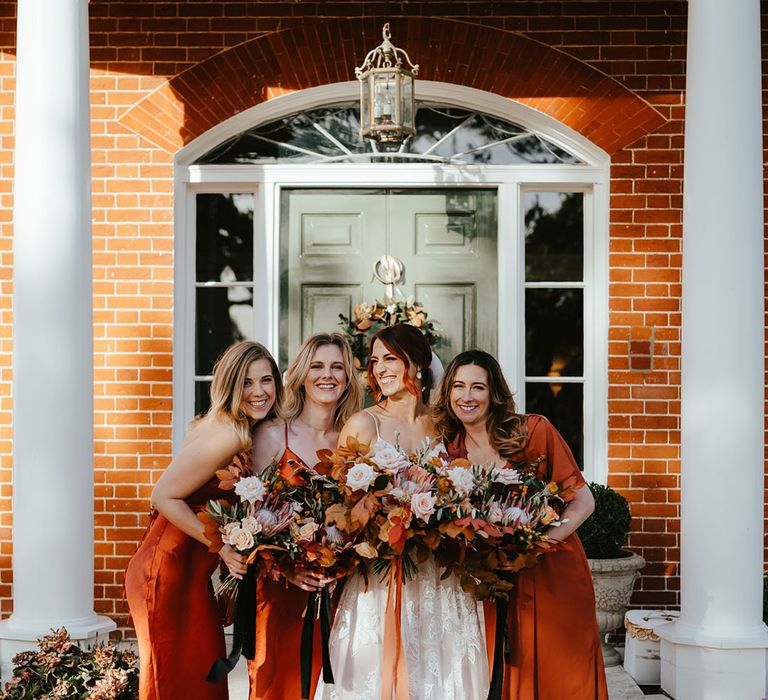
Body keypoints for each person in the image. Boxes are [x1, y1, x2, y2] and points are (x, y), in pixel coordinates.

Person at [314, 324, 489, 700]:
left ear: (419, 364)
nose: (380, 369)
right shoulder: (364, 423)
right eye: (375, 361)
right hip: (381, 576)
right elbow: (341, 507)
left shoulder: (444, 424)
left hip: (438, 576)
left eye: (390, 359)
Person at [432, 349, 608, 700]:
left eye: (478, 387)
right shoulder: (448, 453)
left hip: (553, 571)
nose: (467, 397)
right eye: (458, 386)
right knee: (511, 676)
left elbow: (583, 501)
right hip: (497, 582)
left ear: (493, 393)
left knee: (563, 675)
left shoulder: (532, 431)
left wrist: (535, 545)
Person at [125, 341, 282, 700]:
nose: (259, 392)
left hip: (191, 573)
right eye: (246, 382)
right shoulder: (227, 435)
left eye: (266, 380)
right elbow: (162, 496)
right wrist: (224, 548)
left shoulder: (238, 429)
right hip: (165, 570)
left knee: (202, 680)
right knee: (173, 679)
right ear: (229, 385)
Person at [247, 332, 363, 700]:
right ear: (301, 374)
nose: (326, 375)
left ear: (347, 378)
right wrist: (286, 567)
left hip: (339, 591)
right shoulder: (270, 434)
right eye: (317, 366)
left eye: (336, 367)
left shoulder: (355, 438)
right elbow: (250, 520)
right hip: (283, 588)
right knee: (276, 687)